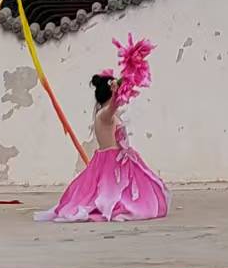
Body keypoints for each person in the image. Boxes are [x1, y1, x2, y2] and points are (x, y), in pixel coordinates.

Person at [35, 70, 169, 222]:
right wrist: (116, 93)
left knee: (123, 191)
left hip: (119, 160)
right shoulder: (104, 115)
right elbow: (113, 106)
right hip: (112, 162)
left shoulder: (105, 114)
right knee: (111, 194)